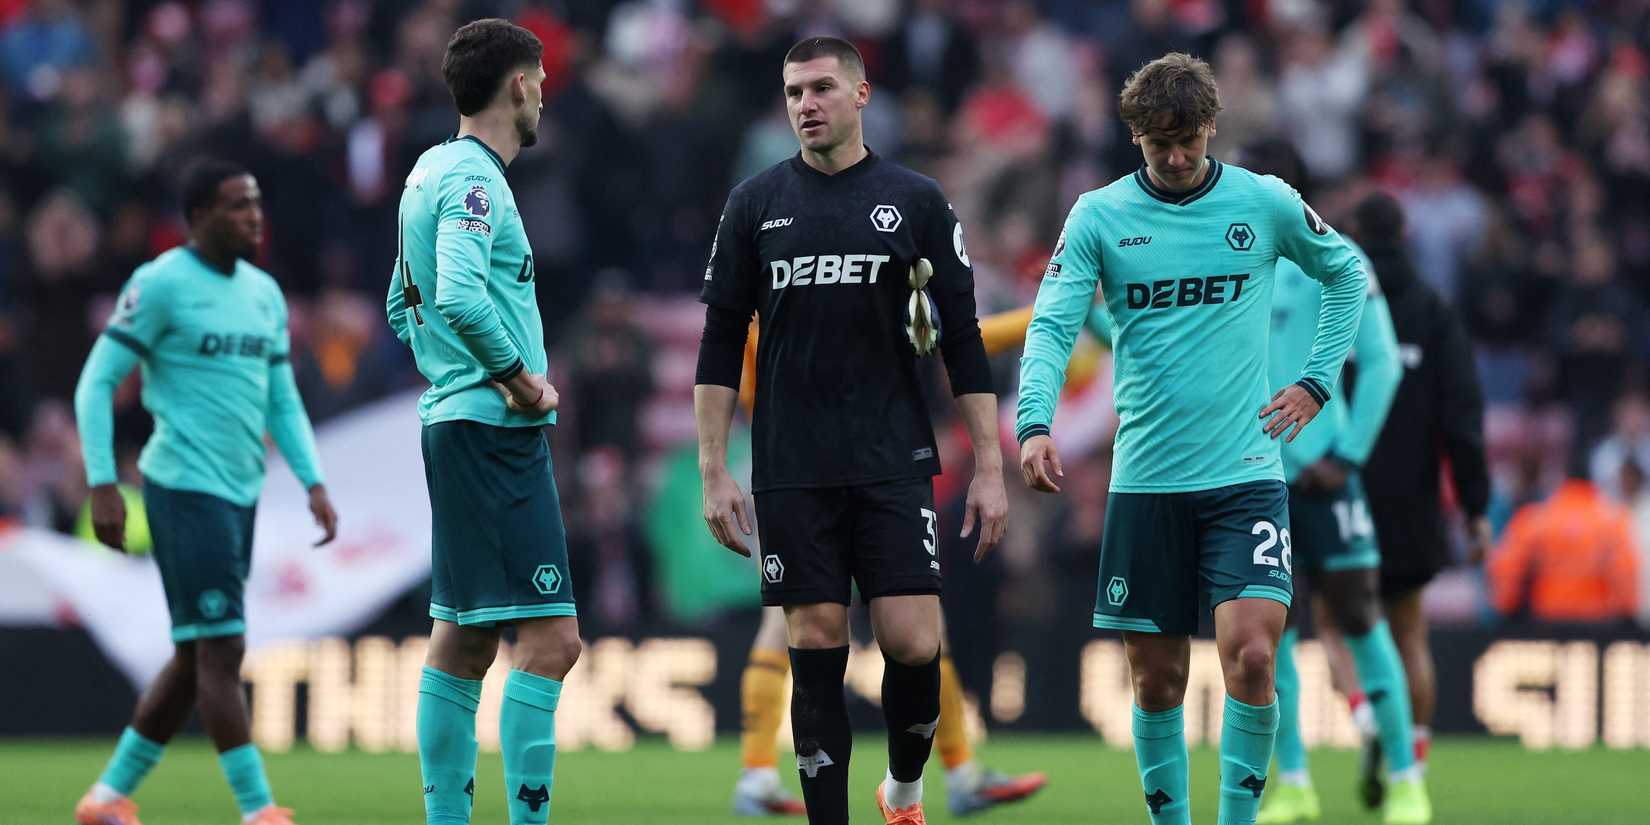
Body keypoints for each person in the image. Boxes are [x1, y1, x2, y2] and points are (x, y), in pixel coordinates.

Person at [1018, 53, 1366, 825]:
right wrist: (1034, 419)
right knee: (1158, 681)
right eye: (1155, 145)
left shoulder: (1264, 203)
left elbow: (1344, 272)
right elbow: (1051, 325)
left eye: (1187, 142)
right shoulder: (1098, 216)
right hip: (1145, 484)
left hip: (1244, 476)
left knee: (1251, 652)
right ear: (1134, 136)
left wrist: (1315, 379)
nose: (1174, 159)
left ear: (1213, 127)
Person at [695, 36, 1008, 825]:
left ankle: (902, 791)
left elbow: (963, 339)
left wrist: (992, 467)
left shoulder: (917, 200)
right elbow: (718, 344)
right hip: (792, 465)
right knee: (816, 644)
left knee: (910, 641)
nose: (806, 104)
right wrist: (712, 467)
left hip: (893, 455)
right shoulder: (754, 204)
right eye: (795, 91)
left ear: (862, 96)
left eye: (823, 88)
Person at [72, 158, 339, 825]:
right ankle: (258, 810)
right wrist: (102, 481)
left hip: (239, 489)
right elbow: (97, 381)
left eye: (255, 203)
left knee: (196, 655)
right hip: (182, 484)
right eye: (236, 206)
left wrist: (312, 479)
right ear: (197, 217)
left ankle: (105, 797)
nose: (253, 216)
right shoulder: (160, 284)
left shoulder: (264, 294)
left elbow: (282, 398)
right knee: (222, 647)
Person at [732, 319, 1048, 818]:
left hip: (797, 461)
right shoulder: (779, 278)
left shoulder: (769, 274)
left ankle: (759, 773)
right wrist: (1040, 312)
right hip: (810, 467)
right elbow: (949, 334)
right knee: (803, 631)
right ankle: (759, 773)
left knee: (905, 631)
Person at [385, 19, 578, 825]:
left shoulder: (428, 171)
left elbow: (404, 305)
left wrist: (447, 368)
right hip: (494, 430)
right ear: (519, 86)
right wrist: (513, 379)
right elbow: (457, 295)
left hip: (456, 424)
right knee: (552, 641)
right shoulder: (475, 183)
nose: (543, 94)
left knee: (462, 641)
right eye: (538, 79)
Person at [1235, 139, 1430, 825]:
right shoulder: (1230, 258)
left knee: (1359, 617)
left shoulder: (1337, 262)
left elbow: (1382, 363)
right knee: (1268, 637)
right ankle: (1293, 782)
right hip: (1252, 478)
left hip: (1323, 477)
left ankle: (1408, 779)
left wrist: (1346, 456)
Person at [1350, 192, 1491, 776]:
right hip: (1412, 501)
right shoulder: (1435, 312)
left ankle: (1366, 717)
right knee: (1408, 629)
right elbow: (1462, 418)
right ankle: (1415, 767)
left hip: (1342, 489)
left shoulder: (1339, 298)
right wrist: (1475, 509)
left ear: (1356, 234)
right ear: (1406, 232)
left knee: (1337, 623)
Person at [1488, 456, 1641, 623]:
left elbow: (1508, 566)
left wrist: (1506, 607)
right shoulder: (1612, 520)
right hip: (1596, 623)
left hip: (1546, 619)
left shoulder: (1536, 518)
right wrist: (1626, 614)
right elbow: (1624, 570)